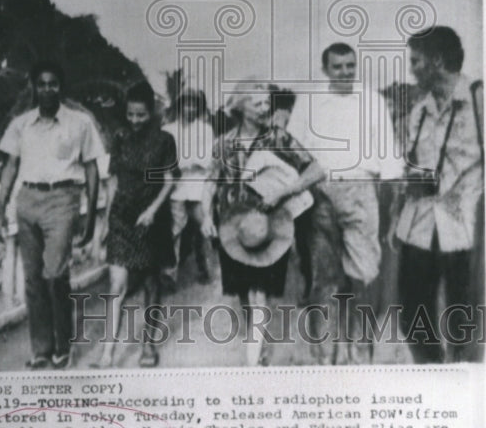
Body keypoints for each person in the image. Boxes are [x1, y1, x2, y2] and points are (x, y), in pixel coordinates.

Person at [287, 44, 404, 363]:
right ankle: (326, 355)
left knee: (364, 273)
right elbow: (294, 147)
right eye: (337, 67)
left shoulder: (372, 101)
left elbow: (389, 156)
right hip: (319, 193)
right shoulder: (309, 101)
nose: (345, 73)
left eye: (350, 66)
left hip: (361, 190)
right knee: (323, 276)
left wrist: (390, 202)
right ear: (325, 69)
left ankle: (360, 350)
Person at [201, 81, 326, 366]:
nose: (265, 108)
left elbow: (317, 169)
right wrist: (207, 215)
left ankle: (256, 356)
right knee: (245, 292)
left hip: (266, 228)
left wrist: (284, 191)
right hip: (232, 230)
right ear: (241, 106)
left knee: (260, 292)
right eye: (257, 103)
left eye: (266, 102)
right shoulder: (224, 143)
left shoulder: (279, 138)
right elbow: (210, 182)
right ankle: (257, 344)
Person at [0, 61, 105, 369]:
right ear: (33, 86)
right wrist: (0, 209)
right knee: (33, 280)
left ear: (61, 87)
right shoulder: (21, 124)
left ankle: (63, 345)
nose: (47, 89)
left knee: (55, 275)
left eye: (53, 84)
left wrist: (92, 214)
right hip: (27, 199)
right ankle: (41, 349)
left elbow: (92, 168)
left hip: (63, 199)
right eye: (41, 84)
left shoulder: (80, 123)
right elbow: (11, 167)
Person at [388, 27, 484, 363]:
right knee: (412, 308)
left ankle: (462, 377)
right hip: (419, 225)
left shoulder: (478, 97)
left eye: (416, 61)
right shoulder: (420, 110)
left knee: (464, 314)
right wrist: (396, 217)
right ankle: (430, 374)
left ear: (437, 61)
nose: (411, 69)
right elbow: (410, 166)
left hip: (464, 229)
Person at [93, 82, 177, 368]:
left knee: (152, 284)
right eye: (130, 114)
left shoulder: (165, 141)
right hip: (122, 219)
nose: (135, 121)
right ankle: (107, 353)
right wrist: (105, 223)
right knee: (116, 284)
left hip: (152, 220)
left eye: (140, 115)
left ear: (150, 113)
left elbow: (169, 181)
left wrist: (153, 210)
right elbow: (113, 181)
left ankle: (149, 345)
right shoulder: (120, 138)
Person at [162, 89, 215, 287]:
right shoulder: (168, 129)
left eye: (194, 104)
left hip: (199, 183)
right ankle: (170, 272)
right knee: (175, 226)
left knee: (204, 226)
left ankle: (205, 267)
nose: (190, 108)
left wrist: (184, 162)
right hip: (176, 185)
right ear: (180, 105)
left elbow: (205, 159)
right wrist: (182, 164)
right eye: (186, 103)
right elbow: (166, 159)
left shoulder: (206, 129)